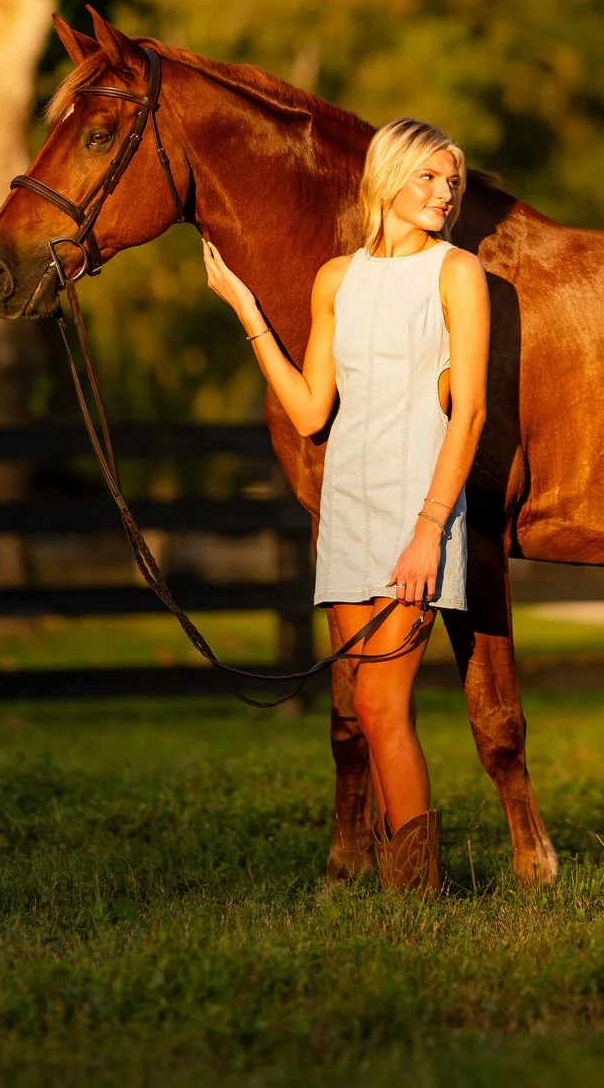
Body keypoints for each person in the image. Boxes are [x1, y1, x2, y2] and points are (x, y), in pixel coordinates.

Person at [202, 118, 489, 897]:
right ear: (386, 178)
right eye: (428, 176)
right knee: (369, 707)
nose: (444, 192)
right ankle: (408, 885)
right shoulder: (337, 279)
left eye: (451, 181)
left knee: (378, 700)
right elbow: (308, 410)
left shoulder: (457, 273)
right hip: (349, 509)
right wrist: (246, 309)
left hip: (419, 508)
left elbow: (468, 414)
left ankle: (417, 893)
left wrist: (429, 530)